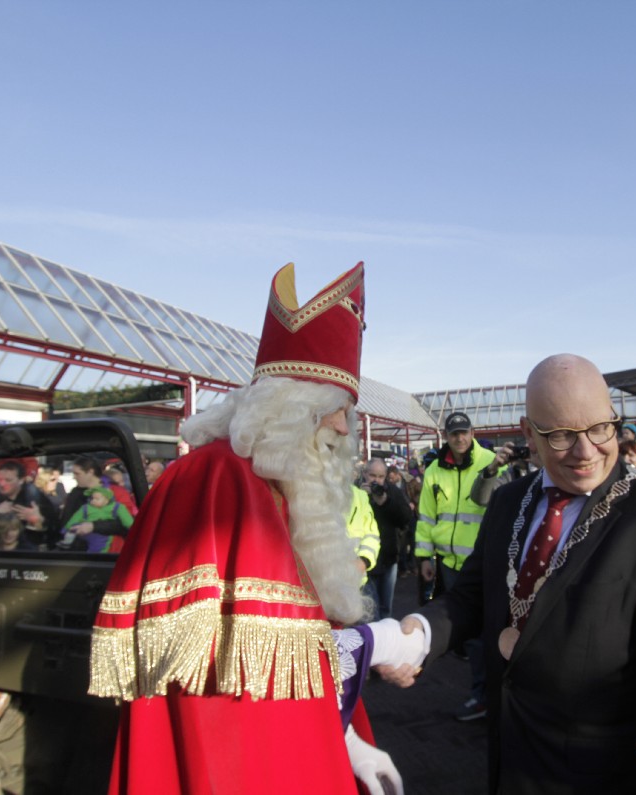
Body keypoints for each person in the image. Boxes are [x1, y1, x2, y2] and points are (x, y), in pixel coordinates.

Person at [89, 263, 420, 795]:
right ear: (291, 408)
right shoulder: (219, 478)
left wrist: (345, 740)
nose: (344, 428)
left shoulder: (276, 485)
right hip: (232, 759)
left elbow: (279, 655)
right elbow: (239, 669)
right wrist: (375, 643)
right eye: (336, 410)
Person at [390, 354, 636, 794]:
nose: (586, 451)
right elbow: (473, 596)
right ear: (529, 433)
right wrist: (418, 634)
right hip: (512, 763)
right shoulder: (509, 502)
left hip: (608, 778)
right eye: (562, 435)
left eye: (600, 428)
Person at [415, 409, 500, 720]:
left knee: (491, 631)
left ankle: (490, 695)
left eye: (464, 432)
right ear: (446, 437)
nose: (460, 438)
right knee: (471, 634)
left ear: (472, 433)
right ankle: (483, 695)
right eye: (454, 433)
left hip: (484, 563)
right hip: (450, 564)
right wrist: (424, 556)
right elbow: (426, 516)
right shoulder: (434, 469)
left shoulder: (491, 461)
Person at [363, 458, 413, 619]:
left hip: (388, 557)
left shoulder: (392, 491)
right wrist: (362, 497)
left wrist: (385, 502)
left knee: (385, 608)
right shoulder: (356, 492)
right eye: (372, 475)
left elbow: (406, 518)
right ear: (365, 474)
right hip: (365, 560)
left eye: (380, 476)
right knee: (369, 611)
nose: (376, 481)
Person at [0, 460, 57, 549]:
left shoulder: (36, 498)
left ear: (21, 480)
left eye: (8, 480)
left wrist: (39, 520)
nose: (2, 484)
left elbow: (54, 530)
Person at [60, 486, 134, 553]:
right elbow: (75, 518)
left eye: (97, 499)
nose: (93, 501)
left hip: (101, 532)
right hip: (83, 529)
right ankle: (67, 542)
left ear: (106, 500)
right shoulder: (86, 508)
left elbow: (127, 520)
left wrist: (133, 529)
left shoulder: (117, 507)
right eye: (92, 498)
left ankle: (95, 555)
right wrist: (67, 528)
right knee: (73, 529)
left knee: (99, 543)